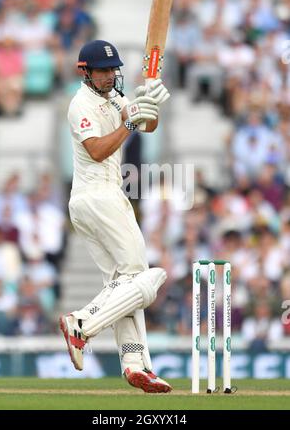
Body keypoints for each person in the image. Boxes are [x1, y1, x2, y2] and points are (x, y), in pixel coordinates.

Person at [59, 39, 172, 393]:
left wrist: (150, 102)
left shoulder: (114, 98)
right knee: (146, 278)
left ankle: (135, 364)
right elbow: (96, 151)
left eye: (113, 70)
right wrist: (132, 125)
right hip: (97, 196)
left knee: (122, 287)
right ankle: (82, 323)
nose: (110, 76)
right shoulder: (81, 104)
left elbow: (146, 125)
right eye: (103, 71)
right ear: (86, 72)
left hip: (103, 198)